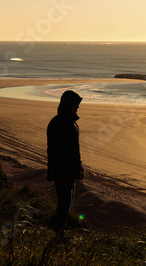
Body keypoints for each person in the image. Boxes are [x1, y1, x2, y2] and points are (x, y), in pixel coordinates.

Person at [47, 90, 84, 233]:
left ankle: (59, 232)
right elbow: (56, 152)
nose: (78, 107)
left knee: (66, 204)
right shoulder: (58, 124)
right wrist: (62, 175)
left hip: (69, 172)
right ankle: (57, 234)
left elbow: (73, 150)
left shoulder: (69, 122)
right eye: (75, 104)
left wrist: (78, 166)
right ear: (68, 104)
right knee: (63, 205)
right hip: (63, 173)